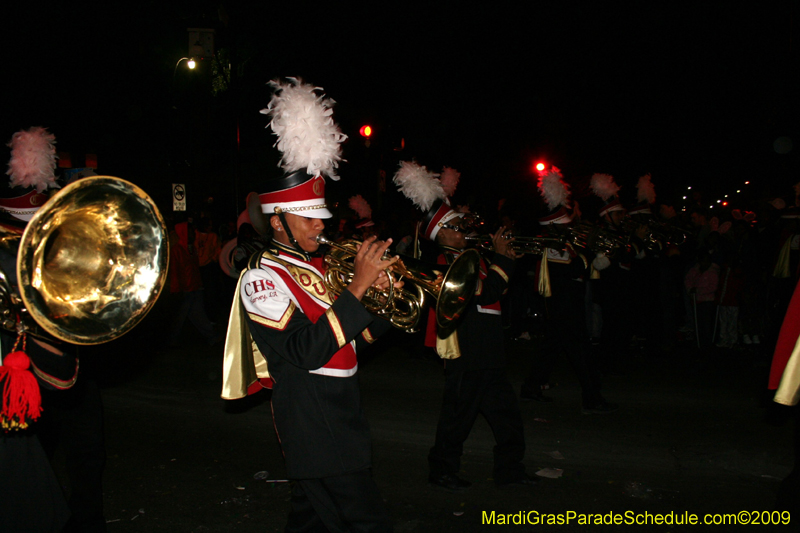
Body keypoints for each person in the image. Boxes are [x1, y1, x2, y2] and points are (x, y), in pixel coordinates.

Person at [222, 78, 397, 532]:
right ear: (278, 222)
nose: (321, 227)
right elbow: (303, 350)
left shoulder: (320, 267)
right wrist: (357, 289)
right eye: (310, 219)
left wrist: (387, 296)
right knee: (365, 520)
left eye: (321, 218)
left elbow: (362, 338)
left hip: (342, 405)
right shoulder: (261, 278)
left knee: (313, 519)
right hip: (312, 411)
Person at [394, 161, 536, 491]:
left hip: (489, 353)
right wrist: (504, 260)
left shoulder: (473, 258)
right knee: (456, 419)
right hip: (467, 354)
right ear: (441, 232)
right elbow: (485, 293)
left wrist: (503, 256)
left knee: (507, 418)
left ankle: (510, 470)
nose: (465, 231)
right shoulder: (442, 266)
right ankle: (442, 470)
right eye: (457, 227)